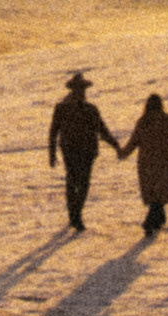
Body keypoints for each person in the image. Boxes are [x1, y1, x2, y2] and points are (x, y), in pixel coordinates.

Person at [46, 73, 119, 232]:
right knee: (78, 182)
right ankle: (75, 215)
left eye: (82, 89)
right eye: (80, 89)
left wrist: (116, 146)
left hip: (82, 151)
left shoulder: (86, 109)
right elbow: (54, 132)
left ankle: (75, 214)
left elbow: (102, 130)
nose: (82, 92)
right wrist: (52, 154)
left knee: (77, 182)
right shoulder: (70, 109)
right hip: (76, 150)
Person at [121, 93, 168, 233]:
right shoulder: (166, 120)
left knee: (154, 196)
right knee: (161, 195)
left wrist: (123, 153)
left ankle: (157, 221)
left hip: (147, 166)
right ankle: (150, 222)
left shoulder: (143, 121)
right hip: (166, 164)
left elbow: (133, 141)